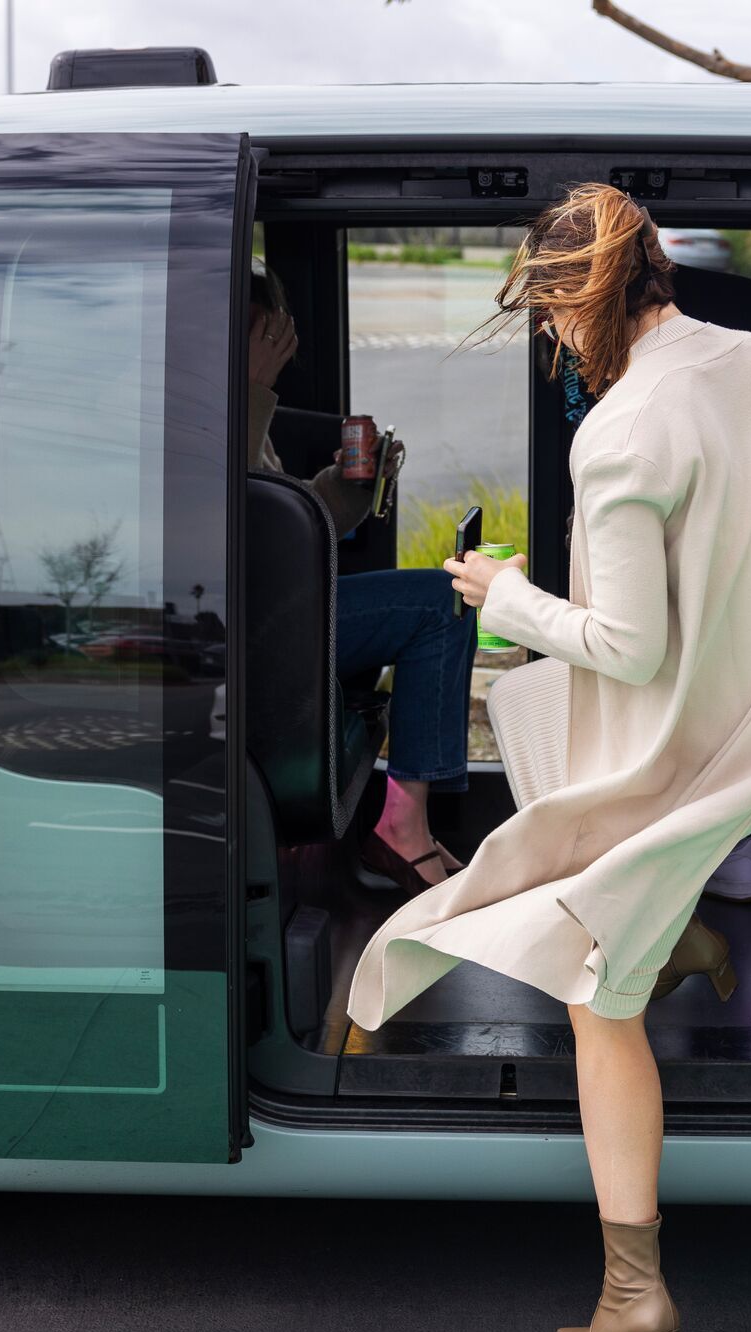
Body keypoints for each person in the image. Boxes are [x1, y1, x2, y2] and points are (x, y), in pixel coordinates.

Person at [343, 183, 751, 1332]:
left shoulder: (623, 432)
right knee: (586, 850)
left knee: (598, 999)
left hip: (680, 751)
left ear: (576, 306)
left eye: (545, 319)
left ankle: (635, 1297)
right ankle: (679, 934)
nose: (546, 341)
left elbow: (629, 649)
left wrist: (504, 598)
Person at [243, 267, 473, 894]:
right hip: (258, 627)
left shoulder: (247, 409)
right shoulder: (217, 409)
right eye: (270, 329)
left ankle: (407, 821)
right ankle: (402, 823)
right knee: (436, 603)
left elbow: (290, 513)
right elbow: (243, 517)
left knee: (442, 598)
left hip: (289, 608)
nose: (283, 341)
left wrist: (351, 487)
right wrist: (252, 386)